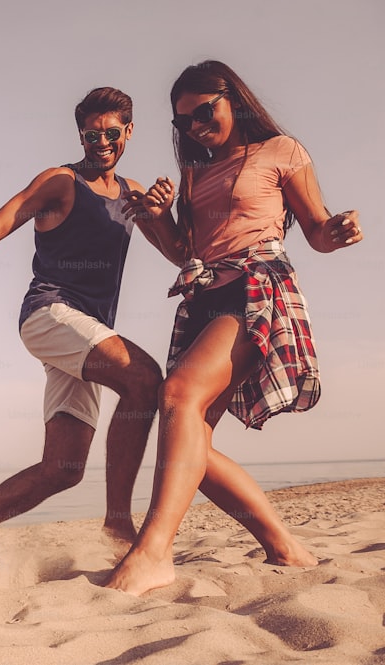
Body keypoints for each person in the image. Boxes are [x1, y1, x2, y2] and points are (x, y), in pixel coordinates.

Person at [105, 60, 363, 595]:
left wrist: (336, 232)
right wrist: (154, 214)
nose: (196, 128)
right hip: (203, 296)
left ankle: (153, 552)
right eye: (183, 123)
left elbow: (315, 230)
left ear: (234, 101)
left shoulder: (282, 151)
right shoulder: (195, 172)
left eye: (204, 113)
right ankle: (286, 548)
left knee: (176, 395)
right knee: (191, 434)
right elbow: (183, 251)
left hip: (256, 288)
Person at [0, 88, 163, 546]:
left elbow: (179, 250)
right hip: (50, 313)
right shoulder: (60, 182)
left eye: (111, 133)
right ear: (80, 135)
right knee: (142, 379)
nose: (100, 143)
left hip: (86, 331)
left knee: (63, 468)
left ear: (129, 132)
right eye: (90, 135)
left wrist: (162, 211)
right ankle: (119, 524)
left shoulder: (133, 193)